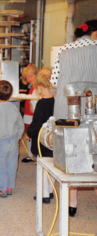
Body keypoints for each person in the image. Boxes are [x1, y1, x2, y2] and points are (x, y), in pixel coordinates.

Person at [50, 20, 97, 217]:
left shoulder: (64, 50)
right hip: (92, 110)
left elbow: (54, 82)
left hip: (66, 110)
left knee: (71, 152)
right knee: (94, 152)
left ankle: (71, 203)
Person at [0, 80, 24, 197]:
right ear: (11, 94)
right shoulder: (14, 108)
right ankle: (10, 187)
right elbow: (20, 125)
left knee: (0, 165)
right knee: (11, 165)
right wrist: (17, 137)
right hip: (13, 140)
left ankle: (2, 189)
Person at [27, 74, 55, 204]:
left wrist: (29, 132)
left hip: (41, 140)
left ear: (39, 87)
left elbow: (37, 122)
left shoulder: (41, 103)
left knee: (42, 168)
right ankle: (50, 191)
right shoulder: (56, 101)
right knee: (52, 167)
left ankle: (43, 194)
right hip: (53, 139)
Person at [21, 64, 38, 163]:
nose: (29, 79)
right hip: (28, 113)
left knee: (31, 133)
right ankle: (30, 153)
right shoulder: (32, 86)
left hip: (32, 114)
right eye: (27, 77)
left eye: (31, 76)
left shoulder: (37, 87)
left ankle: (32, 154)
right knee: (28, 132)